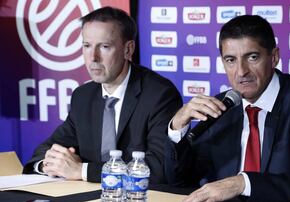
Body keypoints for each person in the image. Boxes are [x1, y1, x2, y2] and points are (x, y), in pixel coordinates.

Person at [165, 15, 290, 202]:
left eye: (252, 57)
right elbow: (181, 182)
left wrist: (244, 183)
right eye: (231, 60)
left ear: (274, 57)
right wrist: (178, 127)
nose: (241, 71)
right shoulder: (221, 106)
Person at [23, 6, 182, 183]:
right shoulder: (83, 96)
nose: (93, 57)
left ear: (128, 49)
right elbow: (46, 150)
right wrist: (50, 164)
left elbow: (159, 168)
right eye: (86, 46)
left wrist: (82, 171)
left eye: (104, 47)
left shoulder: (159, 95)